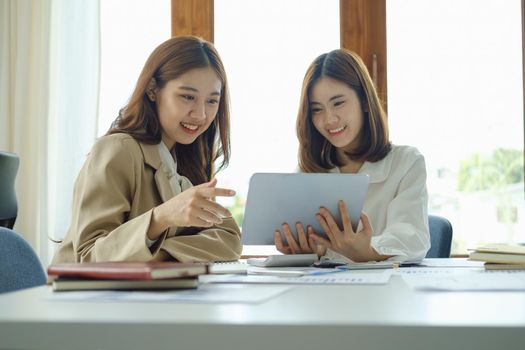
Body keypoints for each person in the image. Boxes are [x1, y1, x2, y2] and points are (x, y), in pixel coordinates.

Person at [52, 36, 242, 264]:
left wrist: (156, 253)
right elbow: (89, 257)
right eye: (188, 97)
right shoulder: (118, 151)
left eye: (212, 101)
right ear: (153, 89)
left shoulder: (181, 160)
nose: (201, 114)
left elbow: (229, 238)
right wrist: (160, 217)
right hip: (83, 296)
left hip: (143, 295)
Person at [274, 49, 430, 263]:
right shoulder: (307, 172)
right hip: (322, 291)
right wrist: (307, 251)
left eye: (338, 103)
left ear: (365, 101)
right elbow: (314, 252)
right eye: (317, 109)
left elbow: (413, 239)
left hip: (385, 292)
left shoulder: (406, 163)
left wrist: (368, 251)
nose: (329, 120)